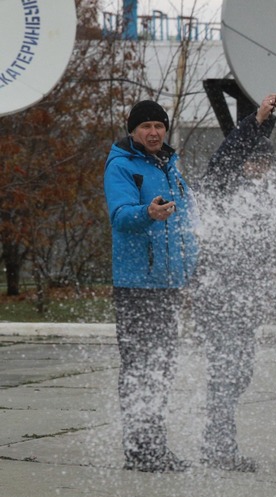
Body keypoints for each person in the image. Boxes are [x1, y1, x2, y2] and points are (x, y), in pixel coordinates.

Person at [103, 100, 199, 473]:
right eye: (146, 127)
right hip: (136, 285)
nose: (154, 132)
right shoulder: (122, 166)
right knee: (139, 368)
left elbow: (188, 222)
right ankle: (140, 451)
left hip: (167, 284)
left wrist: (190, 266)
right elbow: (120, 216)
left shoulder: (169, 165)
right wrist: (148, 212)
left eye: (159, 125)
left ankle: (154, 447)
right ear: (133, 131)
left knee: (160, 367)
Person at [193, 93, 276, 472]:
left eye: (265, 166)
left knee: (239, 371)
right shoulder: (220, 186)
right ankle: (219, 448)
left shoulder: (259, 201)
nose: (259, 172)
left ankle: (218, 443)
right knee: (226, 372)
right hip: (219, 296)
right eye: (255, 163)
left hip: (244, 299)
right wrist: (257, 121)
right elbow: (226, 157)